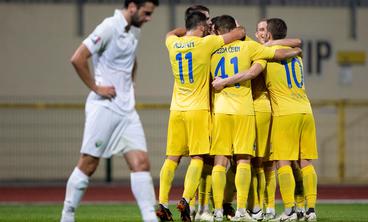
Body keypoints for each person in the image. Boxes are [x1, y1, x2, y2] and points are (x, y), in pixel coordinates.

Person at [60, 1, 159, 222]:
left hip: (127, 111)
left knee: (141, 162)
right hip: (104, 107)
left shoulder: (134, 31)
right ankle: (67, 216)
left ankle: (150, 218)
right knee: (89, 164)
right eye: (146, 13)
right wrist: (96, 87)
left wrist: (130, 85)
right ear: (132, 7)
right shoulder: (109, 27)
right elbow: (77, 58)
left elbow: (132, 60)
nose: (148, 18)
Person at [212, 18, 318, 222]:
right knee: (301, 162)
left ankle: (280, 210)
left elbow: (252, 72)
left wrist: (223, 82)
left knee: (271, 162)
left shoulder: (263, 53)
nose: (259, 33)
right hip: (305, 109)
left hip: (278, 112)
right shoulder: (295, 53)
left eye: (263, 30)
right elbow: (298, 43)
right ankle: (307, 209)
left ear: (268, 34)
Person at [156, 11, 246, 222]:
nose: (207, 27)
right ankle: (186, 199)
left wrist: (185, 29)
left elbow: (171, 32)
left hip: (176, 109)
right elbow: (239, 32)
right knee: (197, 158)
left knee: (171, 158)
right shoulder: (206, 44)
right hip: (198, 110)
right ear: (199, 26)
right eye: (205, 24)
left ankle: (161, 202)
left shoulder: (172, 43)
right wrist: (237, 27)